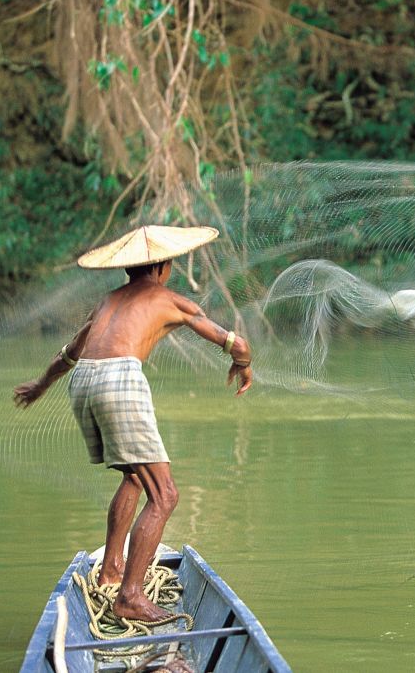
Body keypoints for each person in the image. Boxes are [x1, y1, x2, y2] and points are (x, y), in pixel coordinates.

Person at [13, 225, 252, 622]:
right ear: (162, 267)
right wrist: (242, 365)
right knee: (166, 495)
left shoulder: (108, 301)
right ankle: (130, 596)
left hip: (83, 381)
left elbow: (70, 354)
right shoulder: (171, 300)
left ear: (130, 270)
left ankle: (110, 570)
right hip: (117, 380)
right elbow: (238, 344)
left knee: (136, 477)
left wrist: (40, 386)